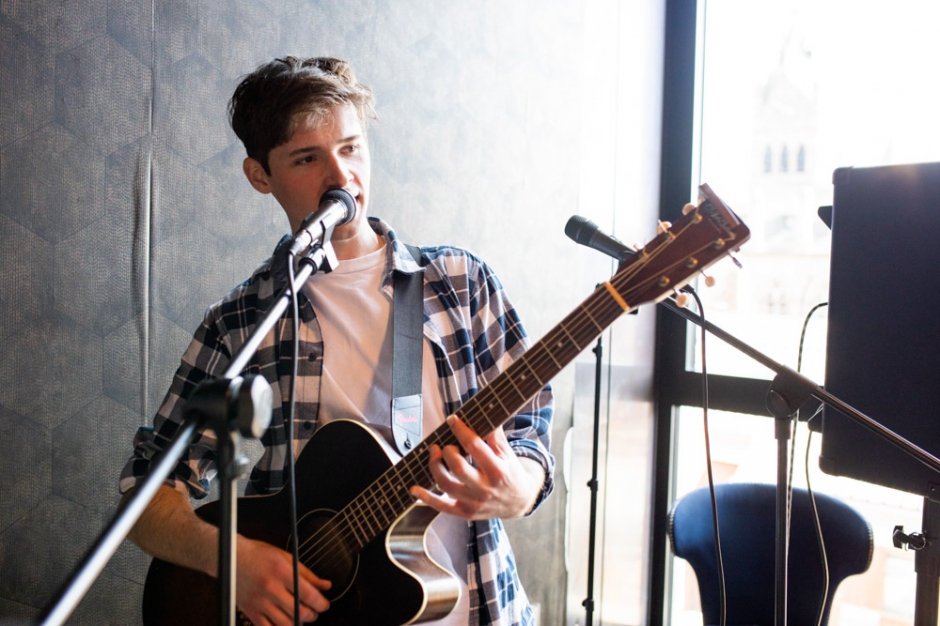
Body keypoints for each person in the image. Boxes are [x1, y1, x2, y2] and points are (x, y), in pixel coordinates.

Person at [120, 56, 554, 626]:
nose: (341, 177)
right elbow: (145, 494)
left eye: (351, 148)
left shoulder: (461, 283)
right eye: (308, 158)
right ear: (260, 176)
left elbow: (529, 434)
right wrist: (231, 561)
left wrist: (517, 489)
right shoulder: (241, 322)